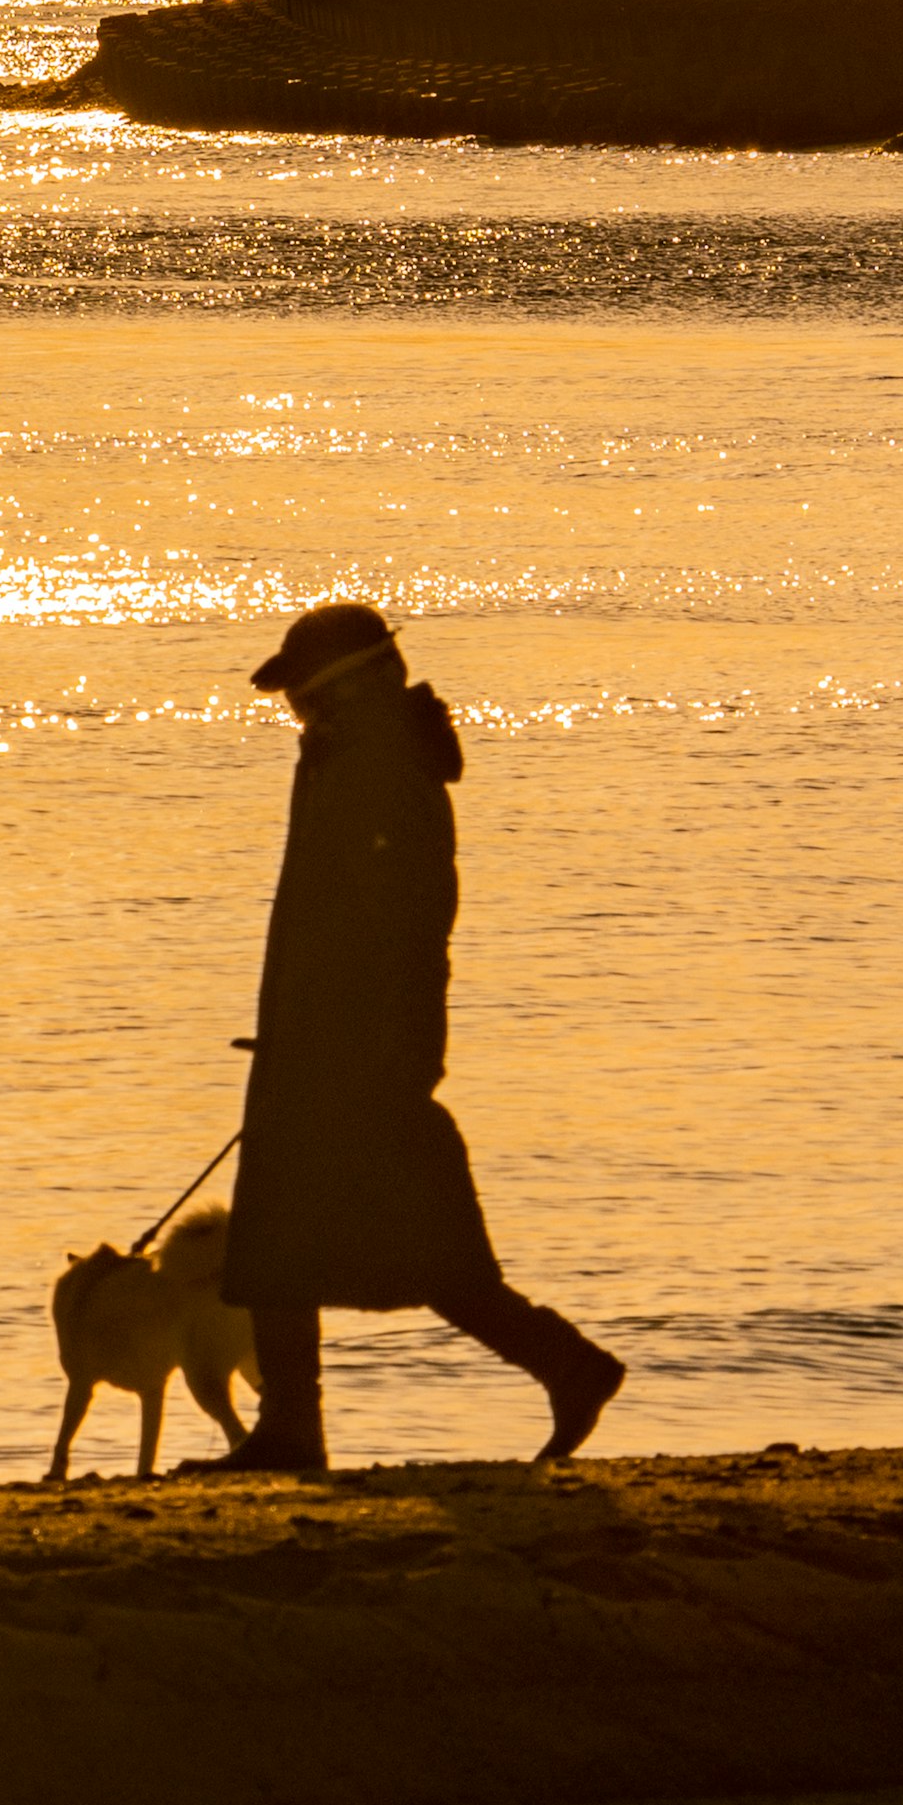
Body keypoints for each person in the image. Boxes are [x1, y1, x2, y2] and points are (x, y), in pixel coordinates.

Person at [220, 598, 624, 1479]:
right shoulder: (353, 757)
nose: (293, 710)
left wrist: (345, 1036)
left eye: (302, 692)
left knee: (326, 1237)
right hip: (327, 1037)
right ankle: (562, 1366)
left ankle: (299, 1427)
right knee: (318, 1238)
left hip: (358, 1045)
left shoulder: (380, 767)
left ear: (351, 687)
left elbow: (393, 923)